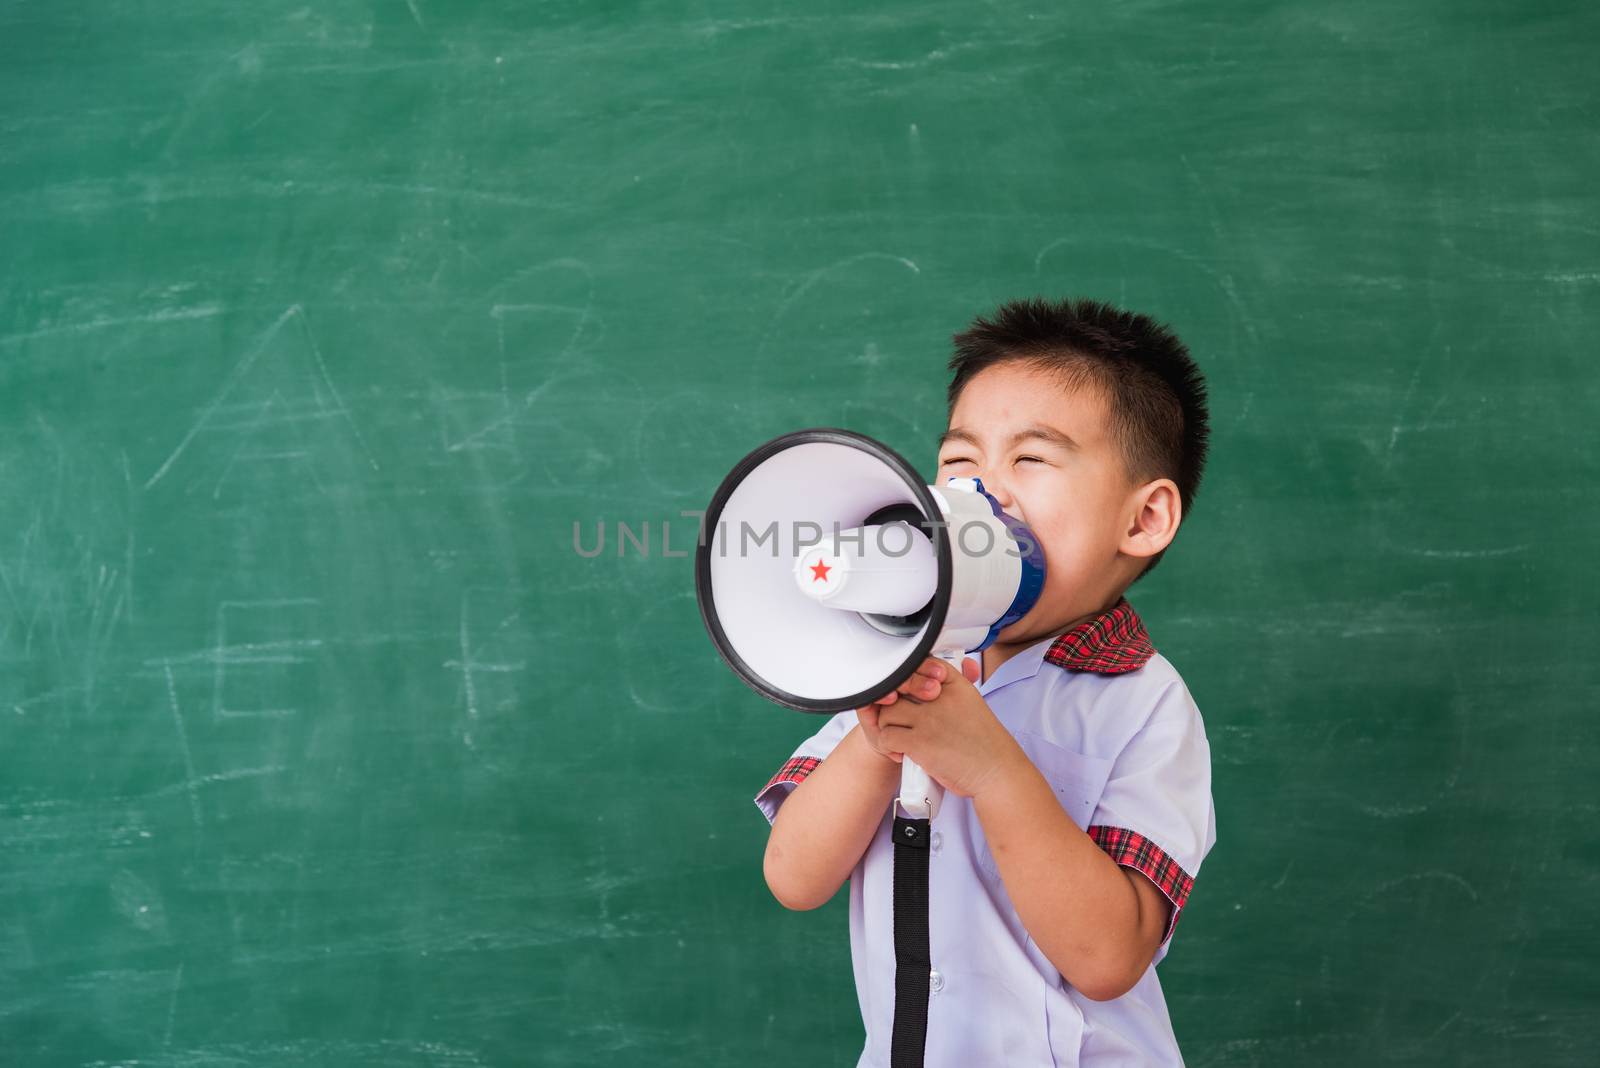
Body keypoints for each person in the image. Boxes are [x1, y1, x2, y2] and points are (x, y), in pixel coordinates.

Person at [755, 296, 1217, 1066]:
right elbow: (794, 877)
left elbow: (1108, 959)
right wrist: (877, 743)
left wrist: (994, 768)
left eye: (1031, 460)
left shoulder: (1145, 703)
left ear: (1142, 520)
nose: (983, 494)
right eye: (960, 463)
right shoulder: (888, 668)